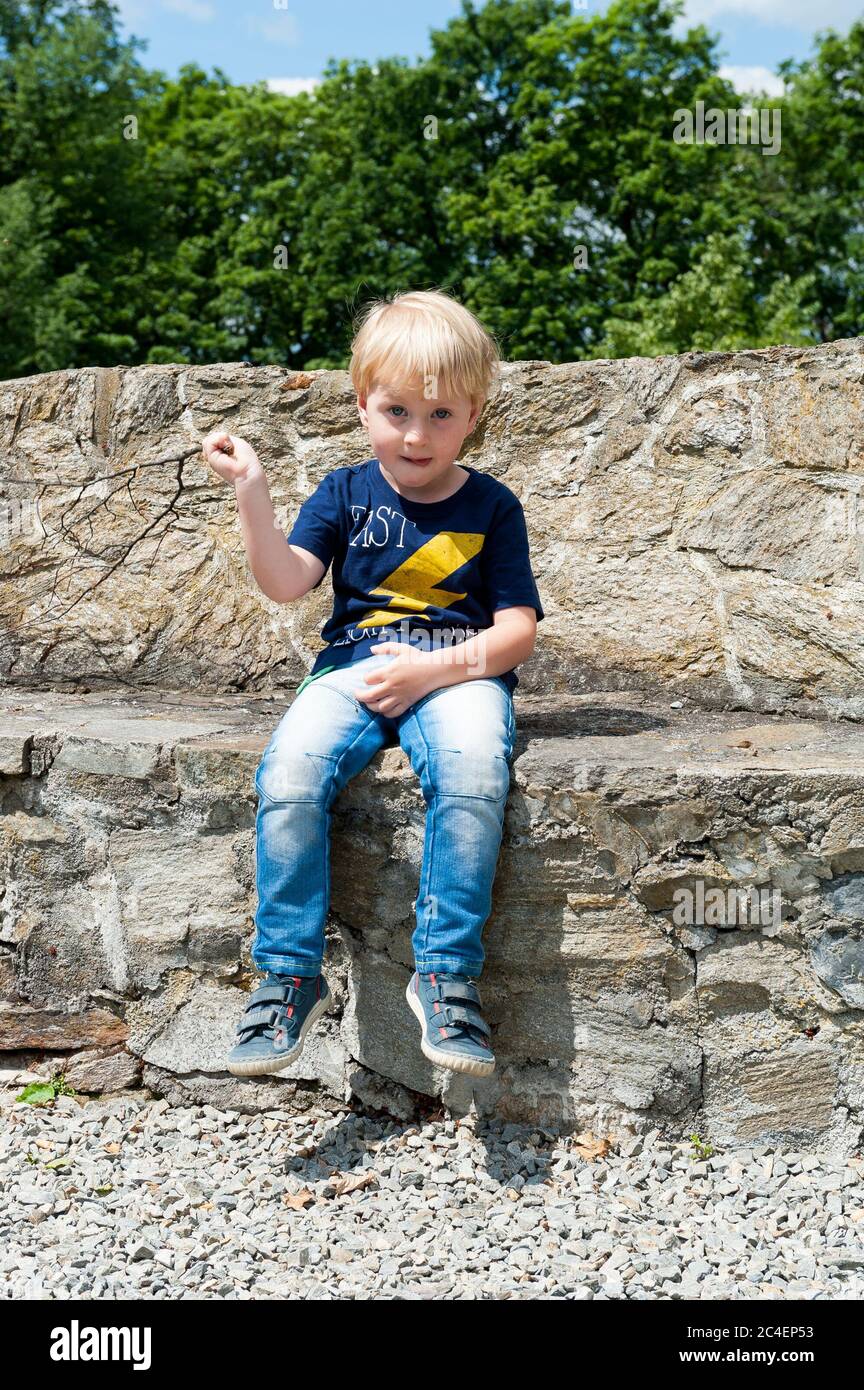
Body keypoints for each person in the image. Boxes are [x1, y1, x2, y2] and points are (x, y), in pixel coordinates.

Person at [200, 288, 544, 1082]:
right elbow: (287, 581)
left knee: (472, 773)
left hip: (457, 669)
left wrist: (436, 667)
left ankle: (445, 976)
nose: (417, 436)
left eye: (441, 415)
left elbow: (517, 629)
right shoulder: (345, 493)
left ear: (475, 412)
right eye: (396, 411)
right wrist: (253, 492)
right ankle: (287, 976)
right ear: (362, 407)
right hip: (353, 668)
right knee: (288, 775)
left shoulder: (493, 507)